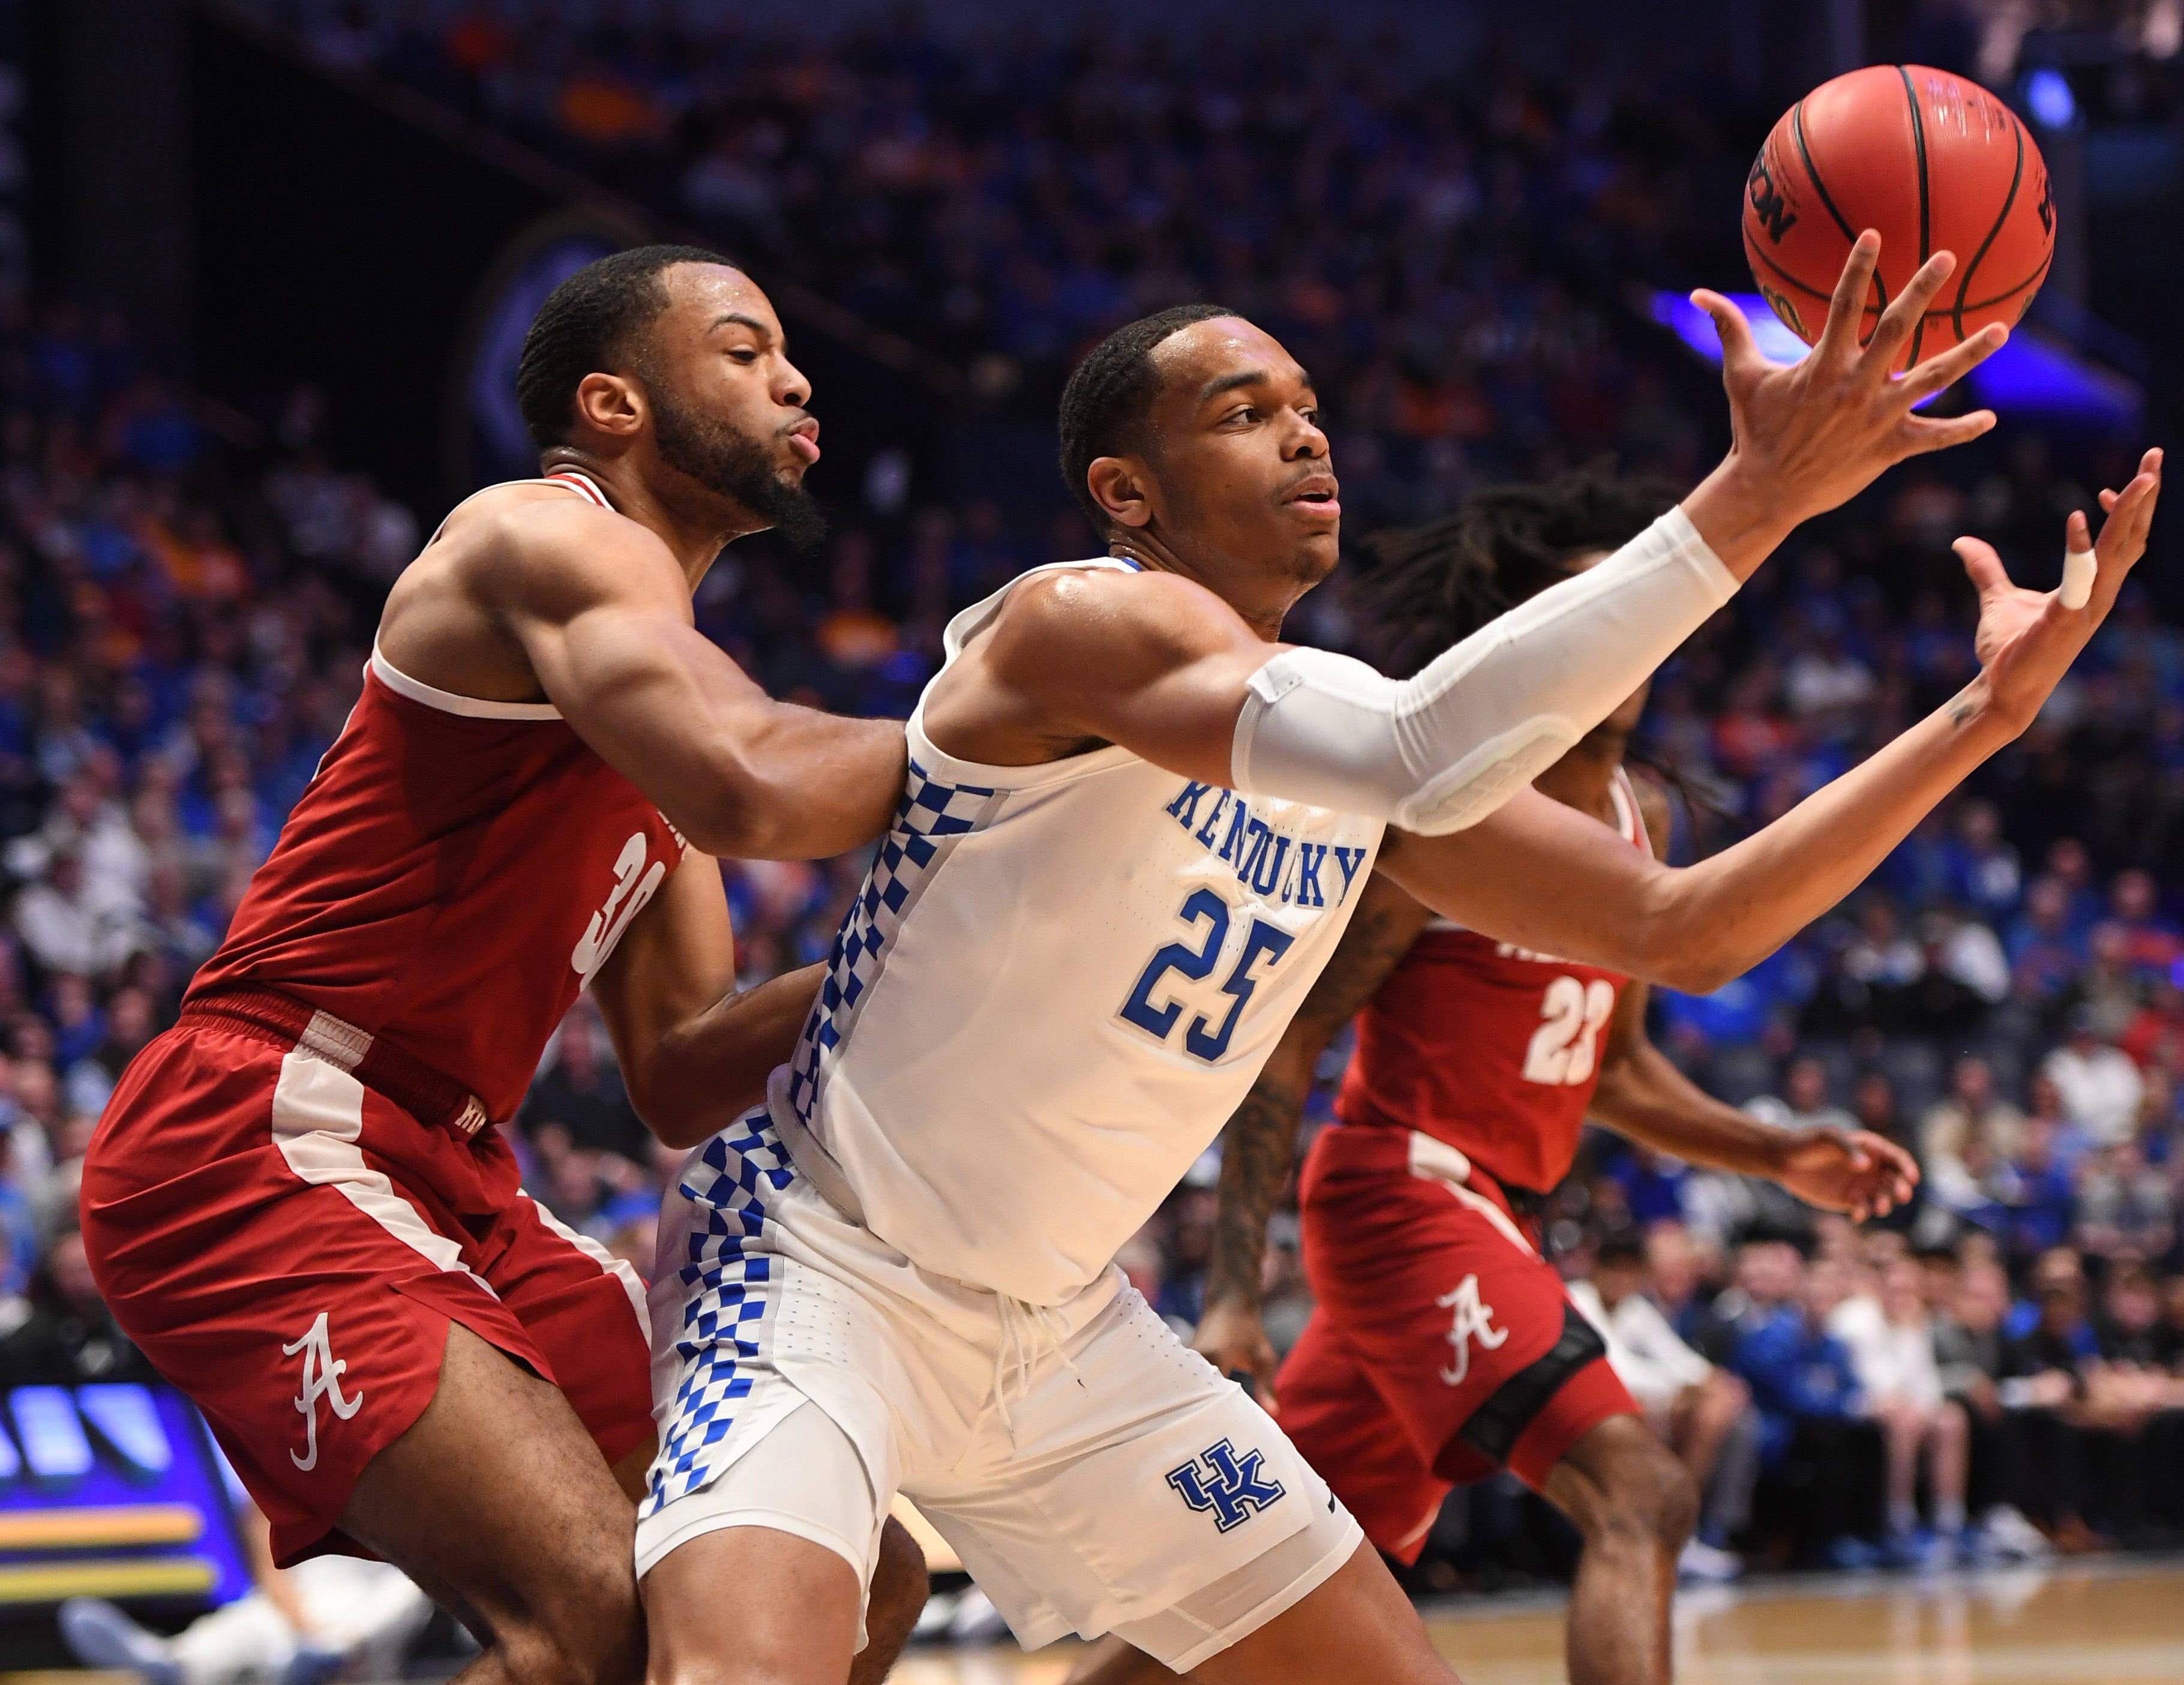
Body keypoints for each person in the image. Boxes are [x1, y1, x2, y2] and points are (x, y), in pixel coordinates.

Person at [636, 243, 2156, 1685]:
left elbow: (1690, 932)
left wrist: (1984, 719)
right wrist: (1756, 495)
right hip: (816, 1264)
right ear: (1128, 489)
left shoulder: (1353, 753)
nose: (1308, 438)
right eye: (1246, 413)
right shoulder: (1072, 623)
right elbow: (1423, 741)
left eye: (1310, 408)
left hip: (1062, 1328)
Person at [77, 247, 931, 1685]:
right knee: (585, 1617)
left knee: (842, 1576)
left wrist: (914, 949)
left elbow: (679, 1067)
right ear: (614, 404)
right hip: (259, 1129)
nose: (795, 377)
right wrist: (1020, 761)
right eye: (742, 349)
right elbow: (749, 776)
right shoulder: (542, 534)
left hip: (444, 1166)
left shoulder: (662, 711)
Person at [1570, 1233, 1759, 1582]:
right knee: (1663, 1409)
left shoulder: (1634, 1308)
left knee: (1719, 1407)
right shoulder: (1577, 1299)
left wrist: (1712, 1380)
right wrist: (1683, 1390)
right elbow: (1614, 1368)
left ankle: (1682, 1530)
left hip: (1635, 1406)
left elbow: (1676, 1358)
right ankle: (1670, 1531)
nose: (1620, 1279)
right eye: (1613, 1269)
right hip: (1582, 1415)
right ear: (1596, 1270)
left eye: (1629, 1271)